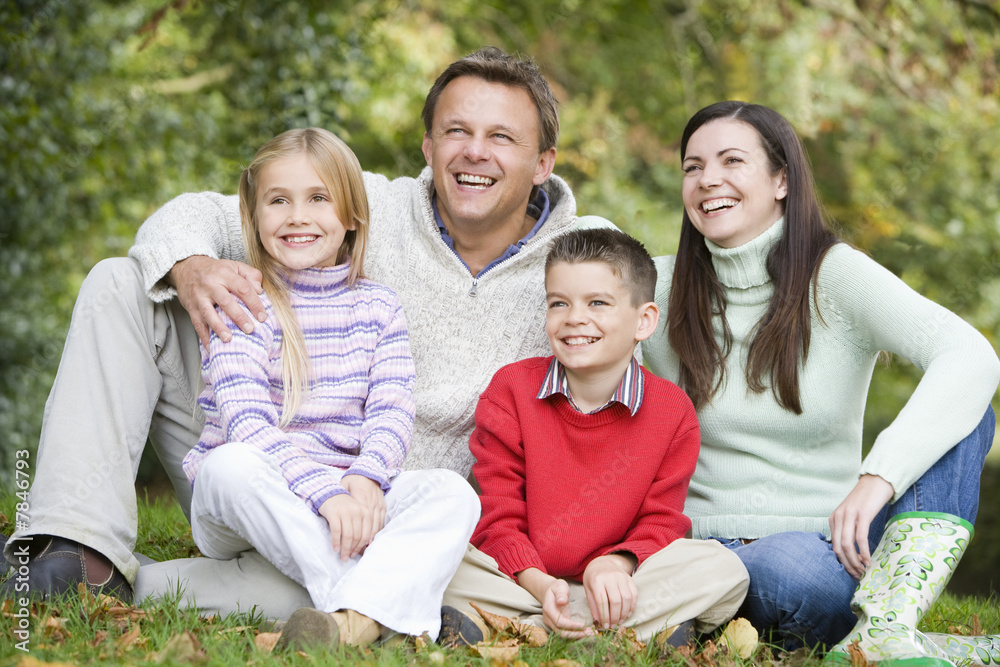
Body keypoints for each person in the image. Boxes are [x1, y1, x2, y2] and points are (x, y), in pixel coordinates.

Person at [2, 47, 608, 618]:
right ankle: (72, 540)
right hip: (253, 459)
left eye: (502, 136)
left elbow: (646, 322)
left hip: (381, 505)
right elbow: (194, 215)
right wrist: (192, 267)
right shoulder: (355, 203)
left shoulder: (582, 260)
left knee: (305, 583)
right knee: (121, 282)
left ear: (543, 163)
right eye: (457, 131)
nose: (475, 152)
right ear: (428, 146)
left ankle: (123, 585)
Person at [640, 101, 1000, 660]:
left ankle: (886, 622)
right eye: (692, 166)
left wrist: (879, 475)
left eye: (732, 160)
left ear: (781, 180)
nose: (708, 179)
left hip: (820, 551)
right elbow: (580, 262)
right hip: (699, 552)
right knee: (768, 574)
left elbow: (970, 355)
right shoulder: (654, 289)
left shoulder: (836, 277)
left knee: (968, 410)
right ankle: (888, 640)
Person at [181, 127, 477, 648]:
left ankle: (342, 626)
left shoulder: (378, 307)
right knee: (229, 464)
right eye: (278, 201)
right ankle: (366, 608)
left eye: (318, 198)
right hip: (253, 496)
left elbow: (391, 410)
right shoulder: (243, 299)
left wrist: (364, 479)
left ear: (351, 216)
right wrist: (325, 494)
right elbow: (246, 423)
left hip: (344, 493)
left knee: (450, 493)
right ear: (253, 216)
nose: (298, 216)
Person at [439, 228, 749, 646]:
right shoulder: (510, 391)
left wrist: (616, 565)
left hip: (616, 587)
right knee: (444, 558)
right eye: (558, 303)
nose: (574, 318)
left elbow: (661, 521)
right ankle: (614, 628)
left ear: (644, 321)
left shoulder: (672, 411)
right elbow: (499, 515)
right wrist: (542, 585)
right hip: (520, 581)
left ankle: (526, 628)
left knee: (724, 569)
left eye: (598, 303)